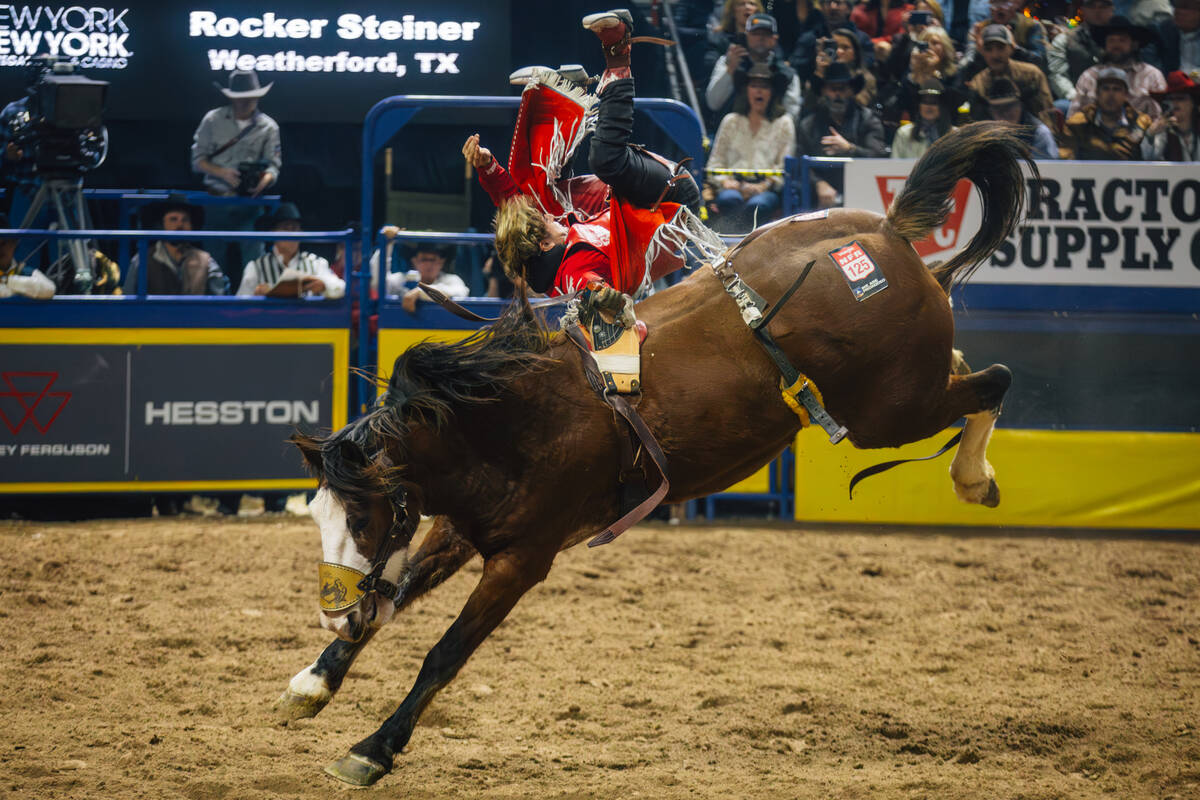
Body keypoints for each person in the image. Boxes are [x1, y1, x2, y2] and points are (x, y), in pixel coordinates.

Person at [484, 10, 703, 320]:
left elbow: (516, 203)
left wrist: (488, 168)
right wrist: (602, 298)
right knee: (604, 160)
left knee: (539, 193)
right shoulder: (573, 268)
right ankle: (618, 54)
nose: (550, 218)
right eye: (547, 223)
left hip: (631, 206)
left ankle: (564, 97)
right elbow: (588, 285)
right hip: (671, 200)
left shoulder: (547, 255)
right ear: (545, 243)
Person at [191, 69, 282, 289]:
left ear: (257, 96)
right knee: (212, 265)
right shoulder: (212, 120)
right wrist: (221, 172)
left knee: (253, 265)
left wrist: (265, 179)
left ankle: (251, 312)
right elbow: (197, 160)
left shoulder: (268, 127)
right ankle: (213, 312)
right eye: (239, 99)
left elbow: (274, 165)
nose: (244, 103)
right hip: (216, 202)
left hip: (249, 207)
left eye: (248, 98)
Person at [706, 60, 796, 230]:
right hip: (732, 185)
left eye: (765, 86)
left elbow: (784, 167)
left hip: (765, 188)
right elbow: (715, 162)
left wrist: (763, 186)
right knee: (729, 199)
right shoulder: (731, 121)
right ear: (746, 90)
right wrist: (724, 181)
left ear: (772, 93)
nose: (759, 91)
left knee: (758, 204)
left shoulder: (784, 123)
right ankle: (732, 241)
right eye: (754, 85)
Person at [796, 62, 887, 207]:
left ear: (851, 91)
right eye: (832, 89)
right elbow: (799, 161)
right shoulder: (809, 124)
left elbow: (879, 156)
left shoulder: (868, 119)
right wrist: (818, 183)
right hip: (819, 197)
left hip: (863, 193)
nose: (837, 94)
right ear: (824, 91)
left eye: (842, 89)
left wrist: (850, 149)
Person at [122, 195, 228, 296]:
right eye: (173, 219)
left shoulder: (206, 262)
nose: (180, 225)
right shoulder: (142, 260)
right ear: (162, 224)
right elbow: (127, 303)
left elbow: (219, 304)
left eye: (185, 220)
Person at [236, 203, 344, 299]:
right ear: (273, 233)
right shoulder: (256, 267)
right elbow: (240, 304)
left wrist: (324, 285)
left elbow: (340, 287)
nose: (291, 234)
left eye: (295, 228)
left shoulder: (315, 263)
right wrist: (255, 297)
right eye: (285, 228)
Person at [707, 13, 803, 121]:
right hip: (732, 130)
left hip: (772, 133)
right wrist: (730, 70)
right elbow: (713, 103)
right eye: (755, 33)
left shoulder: (787, 74)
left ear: (775, 39)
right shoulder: (728, 61)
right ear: (746, 36)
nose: (760, 38)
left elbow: (791, 118)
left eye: (766, 34)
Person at [1069, 16, 1166, 116]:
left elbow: (1161, 117)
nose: (1116, 45)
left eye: (1122, 40)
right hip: (1096, 130)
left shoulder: (1151, 75)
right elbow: (1074, 115)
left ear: (1134, 45)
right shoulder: (1090, 76)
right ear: (1105, 45)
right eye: (1111, 40)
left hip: (1143, 130)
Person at [961, 24, 1056, 127]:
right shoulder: (978, 84)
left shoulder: (1032, 75)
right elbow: (977, 123)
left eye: (1000, 48)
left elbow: (1047, 114)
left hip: (1032, 133)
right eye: (989, 49)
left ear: (1011, 48)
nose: (995, 55)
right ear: (983, 52)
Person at [1058, 66, 1152, 159]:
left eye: (1117, 89)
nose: (1111, 94)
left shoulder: (1141, 122)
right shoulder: (1078, 123)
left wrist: (1149, 135)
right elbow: (1066, 160)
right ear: (1097, 94)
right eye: (1106, 89)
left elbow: (1150, 161)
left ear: (1126, 95)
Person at [370, 230, 470, 312]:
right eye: (424, 259)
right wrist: (387, 245)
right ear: (414, 261)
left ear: (441, 262)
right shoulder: (401, 279)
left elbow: (461, 292)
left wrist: (420, 292)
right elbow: (376, 283)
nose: (429, 264)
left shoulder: (452, 280)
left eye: (433, 260)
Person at [1047, 0, 1115, 108]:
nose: (1097, 11)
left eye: (1103, 6)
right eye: (1092, 6)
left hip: (1118, 99)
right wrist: (1076, 98)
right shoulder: (1065, 39)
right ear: (1083, 10)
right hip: (1077, 99)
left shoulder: (1123, 40)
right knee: (1060, 106)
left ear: (1112, 9)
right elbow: (1057, 75)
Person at [984, 78, 1060, 158]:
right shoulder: (986, 134)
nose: (1004, 113)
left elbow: (1048, 168)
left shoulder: (1039, 133)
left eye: (1009, 106)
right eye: (997, 108)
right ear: (990, 111)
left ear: (1020, 106)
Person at [963, 0, 1048, 71]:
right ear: (990, 7)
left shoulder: (1031, 26)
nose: (1000, 8)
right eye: (996, 3)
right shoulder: (979, 29)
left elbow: (1041, 62)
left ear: (1016, 4)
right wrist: (981, 51)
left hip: (1023, 79)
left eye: (1005, 2)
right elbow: (968, 65)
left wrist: (1015, 49)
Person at [811, 27, 879, 108]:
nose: (839, 51)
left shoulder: (866, 79)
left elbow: (859, 105)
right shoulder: (821, 74)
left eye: (845, 47)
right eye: (835, 47)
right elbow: (809, 105)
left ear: (855, 53)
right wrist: (820, 73)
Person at [890, 78, 960, 157]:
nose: (929, 107)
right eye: (925, 102)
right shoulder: (904, 134)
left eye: (934, 103)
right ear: (919, 106)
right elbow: (895, 163)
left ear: (942, 107)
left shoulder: (955, 135)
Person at [1141, 70, 1200, 160]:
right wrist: (1150, 134)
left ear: (1192, 103)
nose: (1175, 103)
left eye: (1181, 98)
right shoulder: (1163, 129)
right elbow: (1147, 158)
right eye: (1171, 99)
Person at [0, 212, 53, 299]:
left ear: (14, 244)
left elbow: (49, 290)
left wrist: (6, 281)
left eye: (4, 243)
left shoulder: (28, 272)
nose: (0, 249)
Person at [1155, 0, 1200, 76]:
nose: (1179, 11)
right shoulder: (1160, 31)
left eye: (1187, 7)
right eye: (1176, 6)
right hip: (1171, 85)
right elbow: (1155, 72)